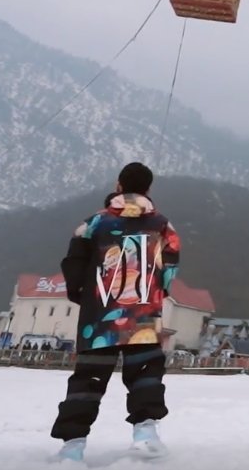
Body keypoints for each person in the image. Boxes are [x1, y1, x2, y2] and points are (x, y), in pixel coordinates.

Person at [50, 162, 181, 462]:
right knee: (145, 374)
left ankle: (73, 448)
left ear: (118, 185)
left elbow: (74, 261)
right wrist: (159, 292)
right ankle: (145, 435)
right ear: (148, 189)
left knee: (88, 379)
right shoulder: (162, 225)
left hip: (99, 317)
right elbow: (171, 265)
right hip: (143, 313)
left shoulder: (93, 223)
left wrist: (82, 295)